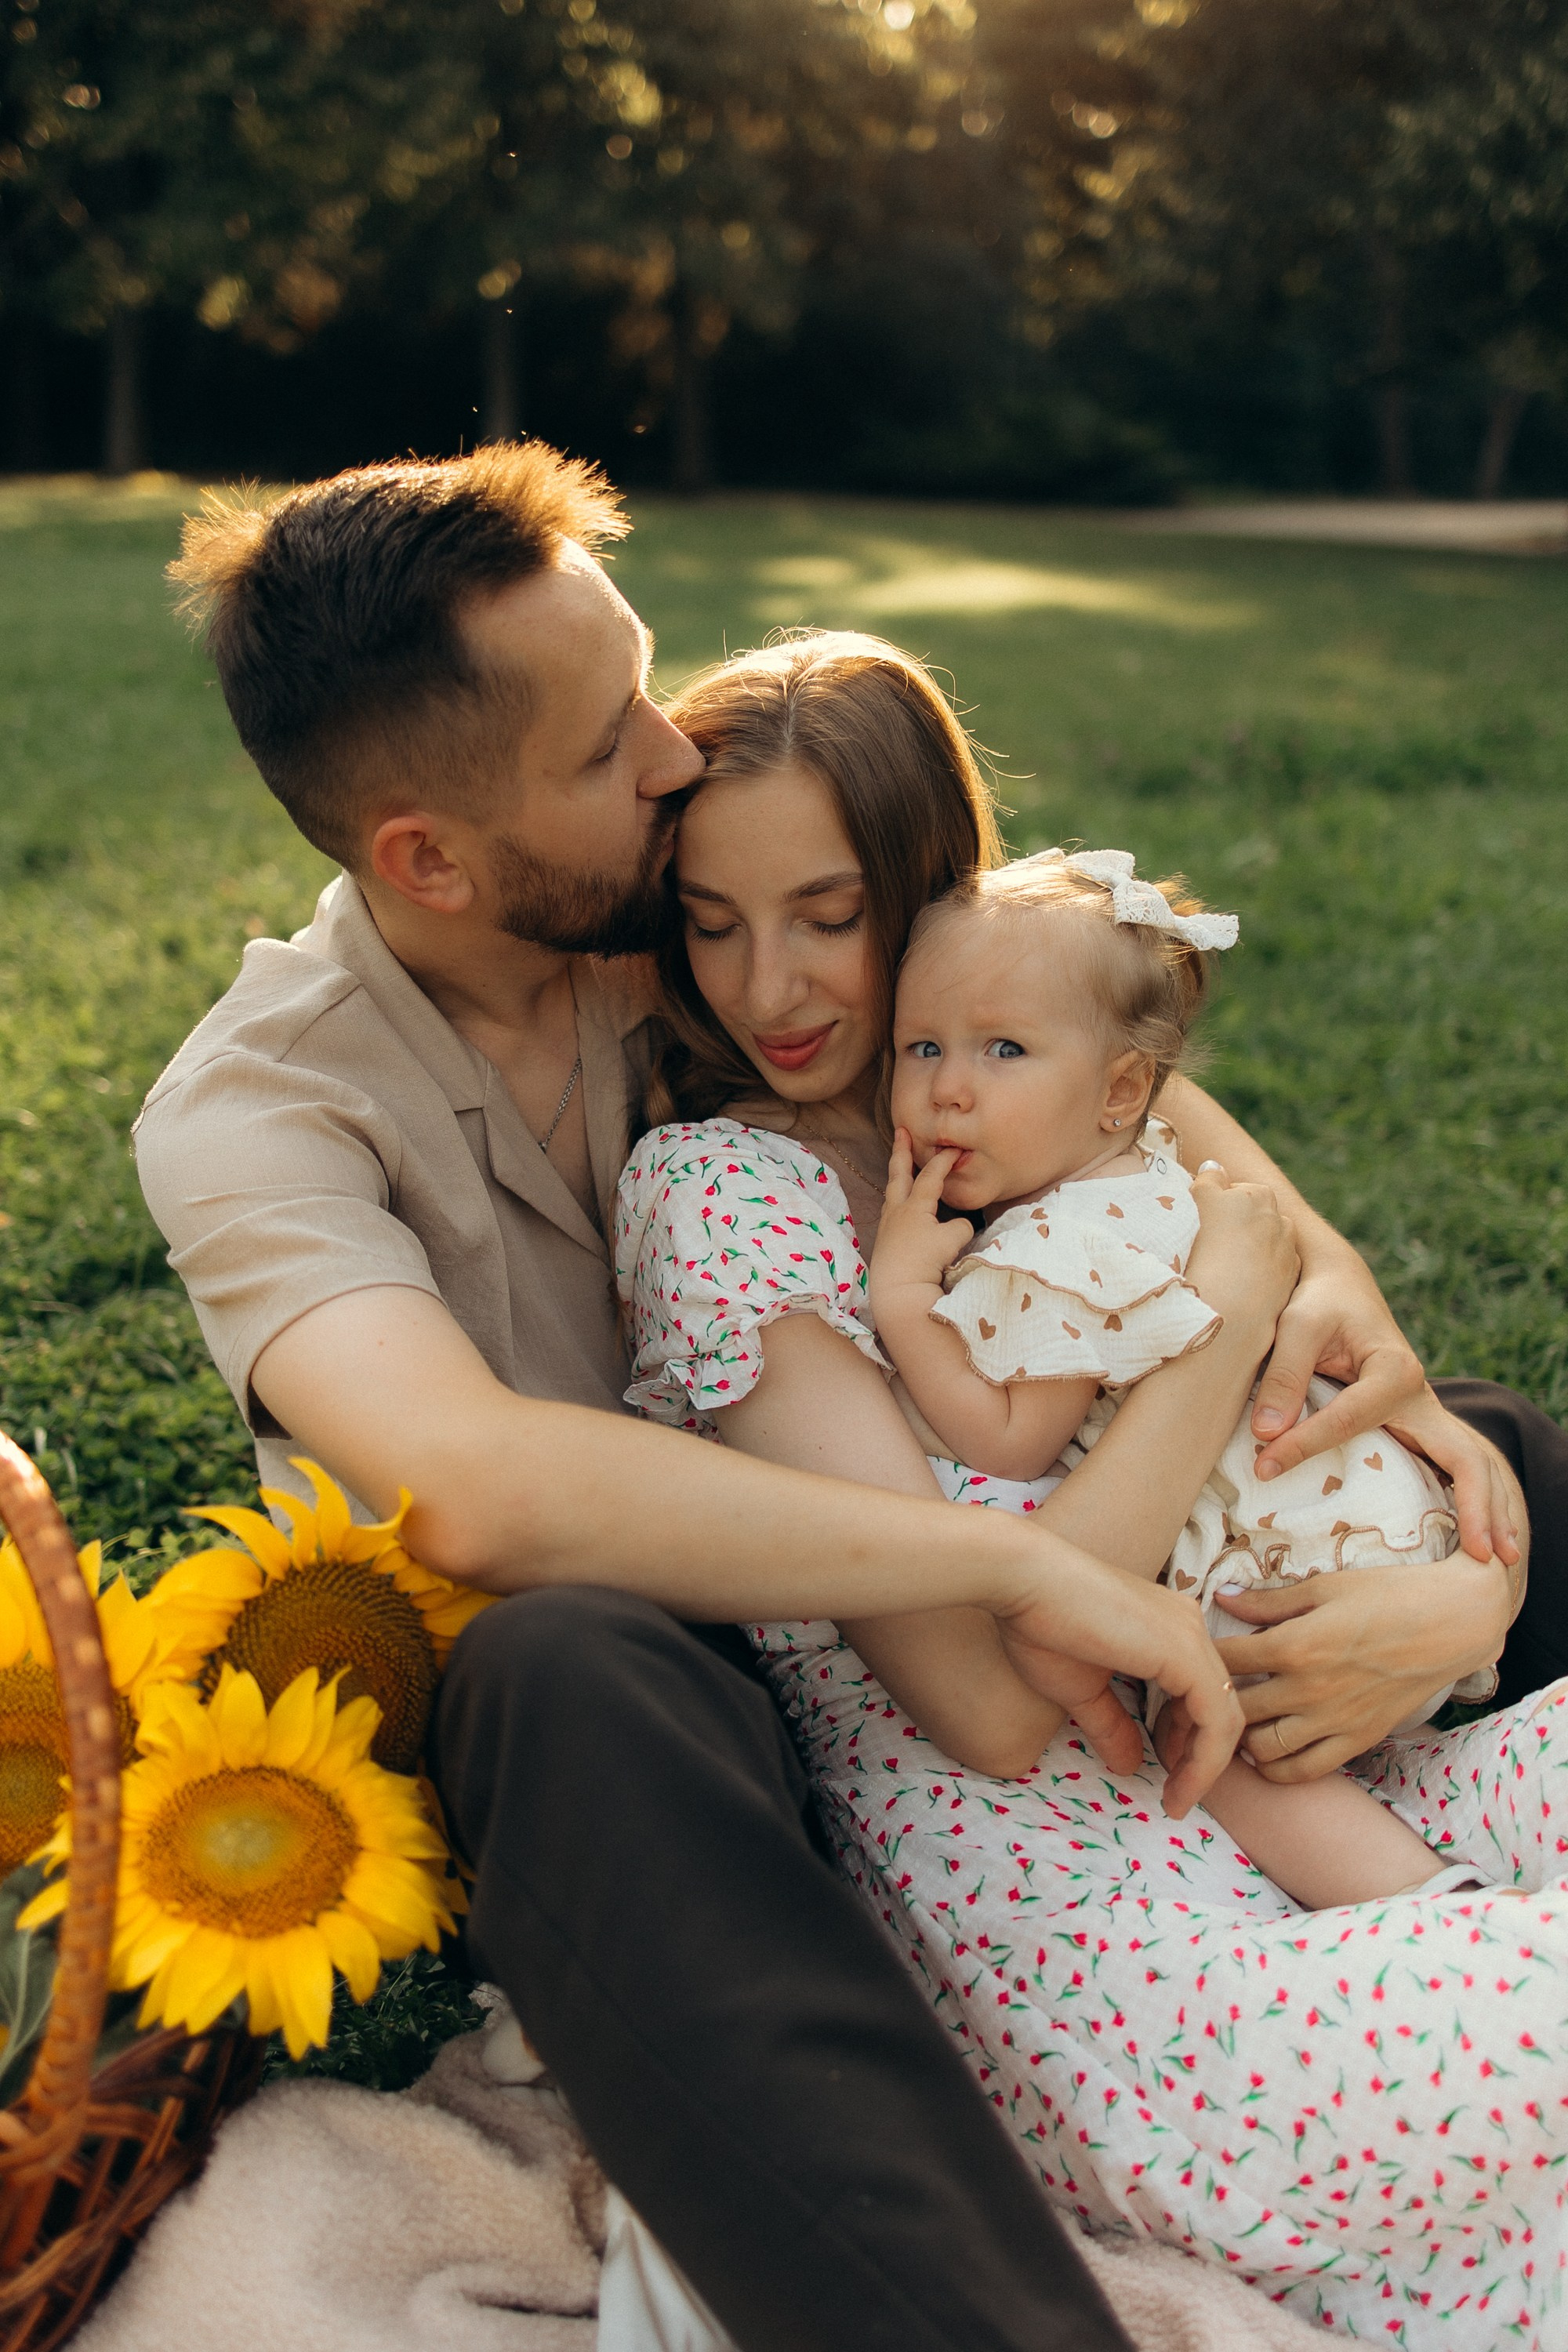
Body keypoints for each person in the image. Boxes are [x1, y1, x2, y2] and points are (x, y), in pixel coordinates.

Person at [132, 444, 1557, 2352]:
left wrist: (1326, 1288)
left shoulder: (683, 909)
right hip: (678, 1698)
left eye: (643, 684)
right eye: (605, 739)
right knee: (556, 1674)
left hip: (1007, 1572)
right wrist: (1031, 1576)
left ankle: (1411, 1709)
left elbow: (1060, 1032)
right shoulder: (259, 1113)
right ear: (429, 855)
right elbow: (477, 1486)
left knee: (1502, 1442)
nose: (665, 752)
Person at [615, 633, 1568, 2345]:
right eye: (711, 919)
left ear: (933, 899)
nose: (770, 988)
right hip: (1101, 1949)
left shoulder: (1079, 1111)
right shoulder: (725, 1199)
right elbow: (986, 1696)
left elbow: (1383, 1407)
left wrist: (1467, 1593)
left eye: (830, 916)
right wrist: (1221, 1317)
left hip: (1311, 1779)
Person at [868, 845, 1494, 1912]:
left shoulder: (1057, 1247)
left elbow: (1011, 1438)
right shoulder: (1151, 1172)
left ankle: (1429, 1907)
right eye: (922, 1046)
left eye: (1004, 1049)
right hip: (1382, 1530)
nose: (949, 1089)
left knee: (1199, 1731)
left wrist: (898, 1309)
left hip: (1282, 1576)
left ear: (1118, 1089)